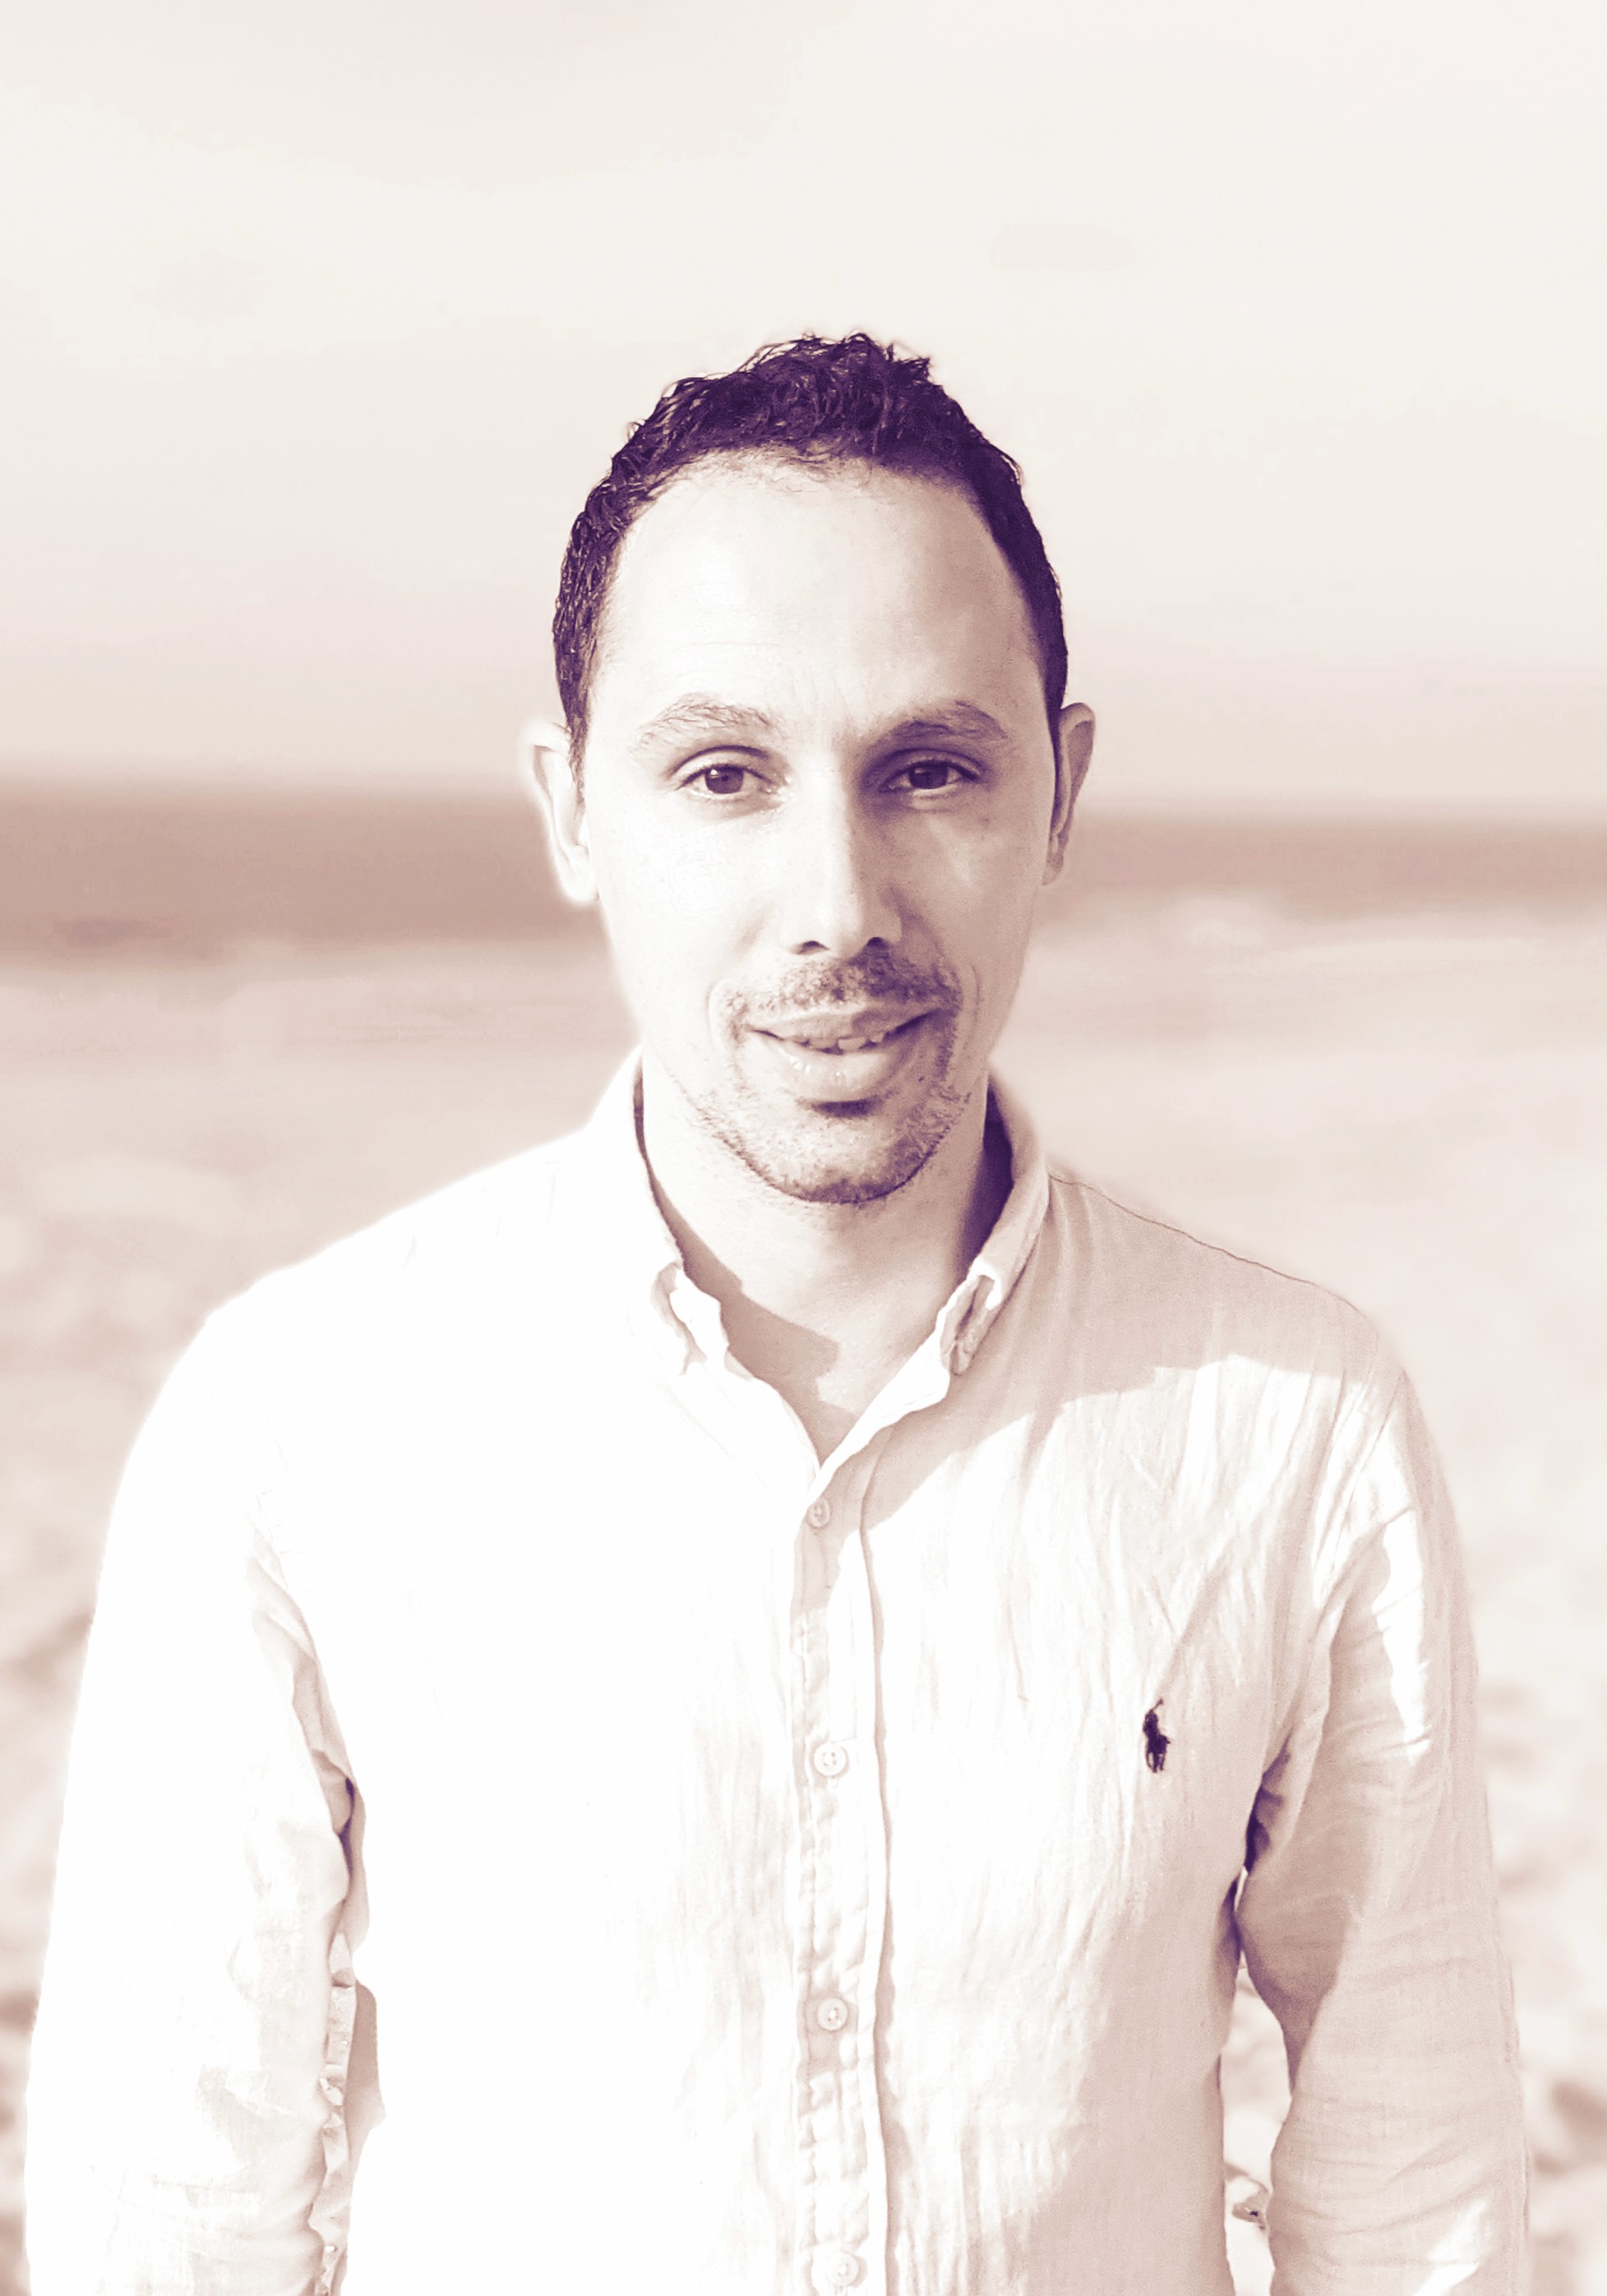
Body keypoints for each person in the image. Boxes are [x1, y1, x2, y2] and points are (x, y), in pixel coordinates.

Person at [26, 335, 1526, 2294]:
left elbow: (1416, 2181)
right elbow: (169, 2204)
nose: (839, 900)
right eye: (723, 774)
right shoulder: (301, 1417)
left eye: (931, 770)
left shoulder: (1293, 1422)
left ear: (1060, 794)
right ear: (575, 810)